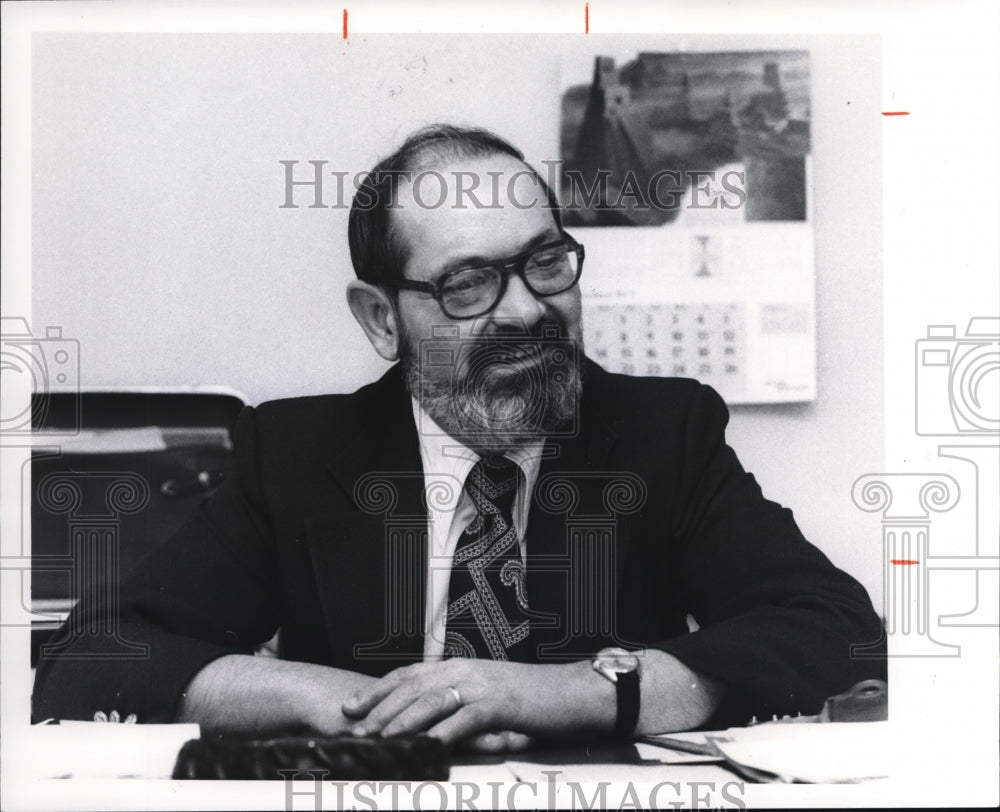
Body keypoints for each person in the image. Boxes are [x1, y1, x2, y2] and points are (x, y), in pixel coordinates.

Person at [32, 124, 885, 751]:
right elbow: (90, 658)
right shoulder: (294, 452)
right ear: (381, 318)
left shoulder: (663, 431)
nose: (525, 310)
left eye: (546, 263)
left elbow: (834, 632)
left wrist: (567, 692)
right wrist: (349, 704)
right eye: (469, 284)